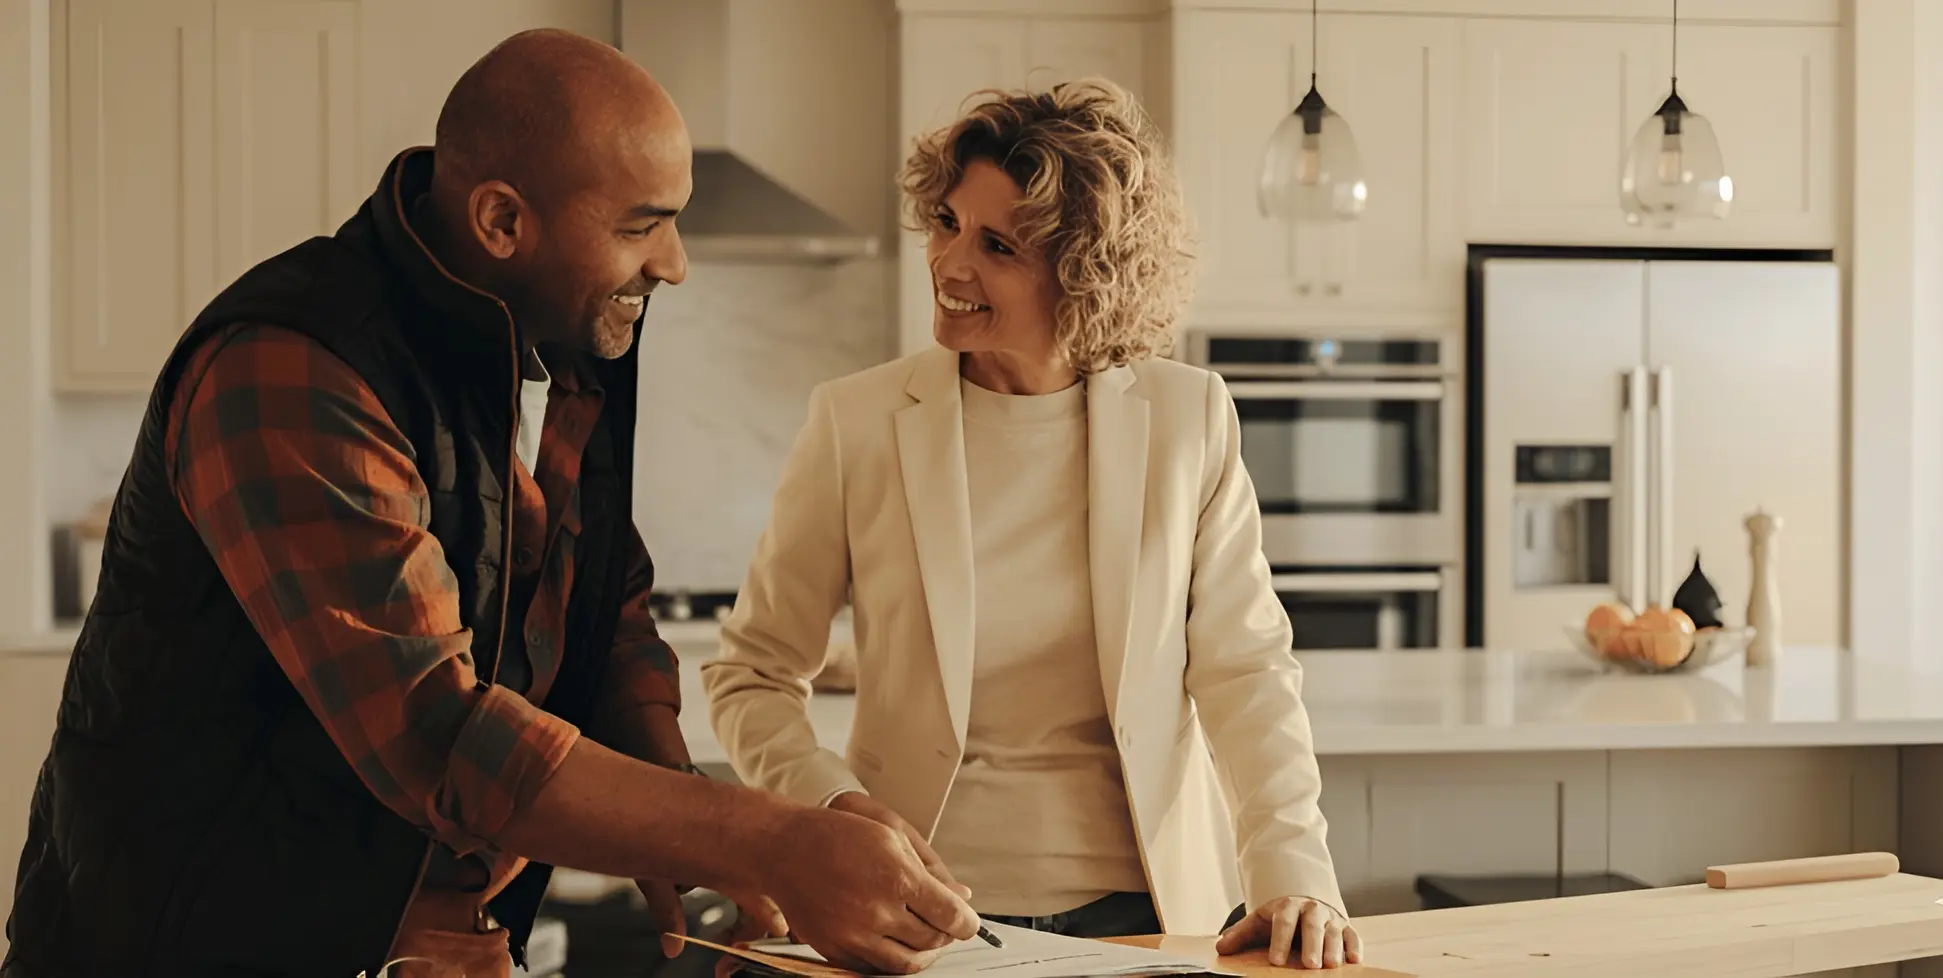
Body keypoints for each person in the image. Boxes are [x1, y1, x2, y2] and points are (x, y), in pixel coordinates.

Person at [1, 29, 976, 978]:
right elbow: (435, 729)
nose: (674, 263)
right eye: (641, 226)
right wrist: (763, 839)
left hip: (426, 943)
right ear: (503, 222)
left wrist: (678, 812)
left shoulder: (558, 336)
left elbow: (603, 600)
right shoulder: (291, 368)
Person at [702, 78, 1363, 969]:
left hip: (1157, 911)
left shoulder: (1188, 417)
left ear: (1084, 272)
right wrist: (834, 809)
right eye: (946, 223)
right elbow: (751, 673)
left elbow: (1246, 670)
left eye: (997, 245)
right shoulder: (857, 422)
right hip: (923, 915)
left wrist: (1295, 872)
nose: (950, 264)